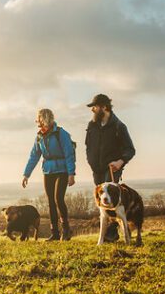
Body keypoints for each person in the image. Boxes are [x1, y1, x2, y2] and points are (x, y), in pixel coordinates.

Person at [85, 94, 136, 242]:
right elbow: (88, 146)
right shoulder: (91, 126)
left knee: (112, 201)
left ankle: (112, 235)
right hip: (96, 169)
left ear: (104, 107)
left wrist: (120, 162)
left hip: (112, 169)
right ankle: (110, 234)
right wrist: (90, 161)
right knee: (102, 202)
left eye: (94, 107)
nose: (93, 110)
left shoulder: (119, 126)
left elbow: (130, 149)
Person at [22, 108, 76, 241]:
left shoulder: (61, 134)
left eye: (39, 119)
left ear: (45, 119)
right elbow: (34, 156)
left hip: (62, 171)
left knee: (58, 199)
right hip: (48, 171)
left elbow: (69, 154)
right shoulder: (39, 136)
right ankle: (55, 233)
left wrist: (71, 173)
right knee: (51, 202)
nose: (37, 122)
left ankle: (66, 230)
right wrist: (26, 174)